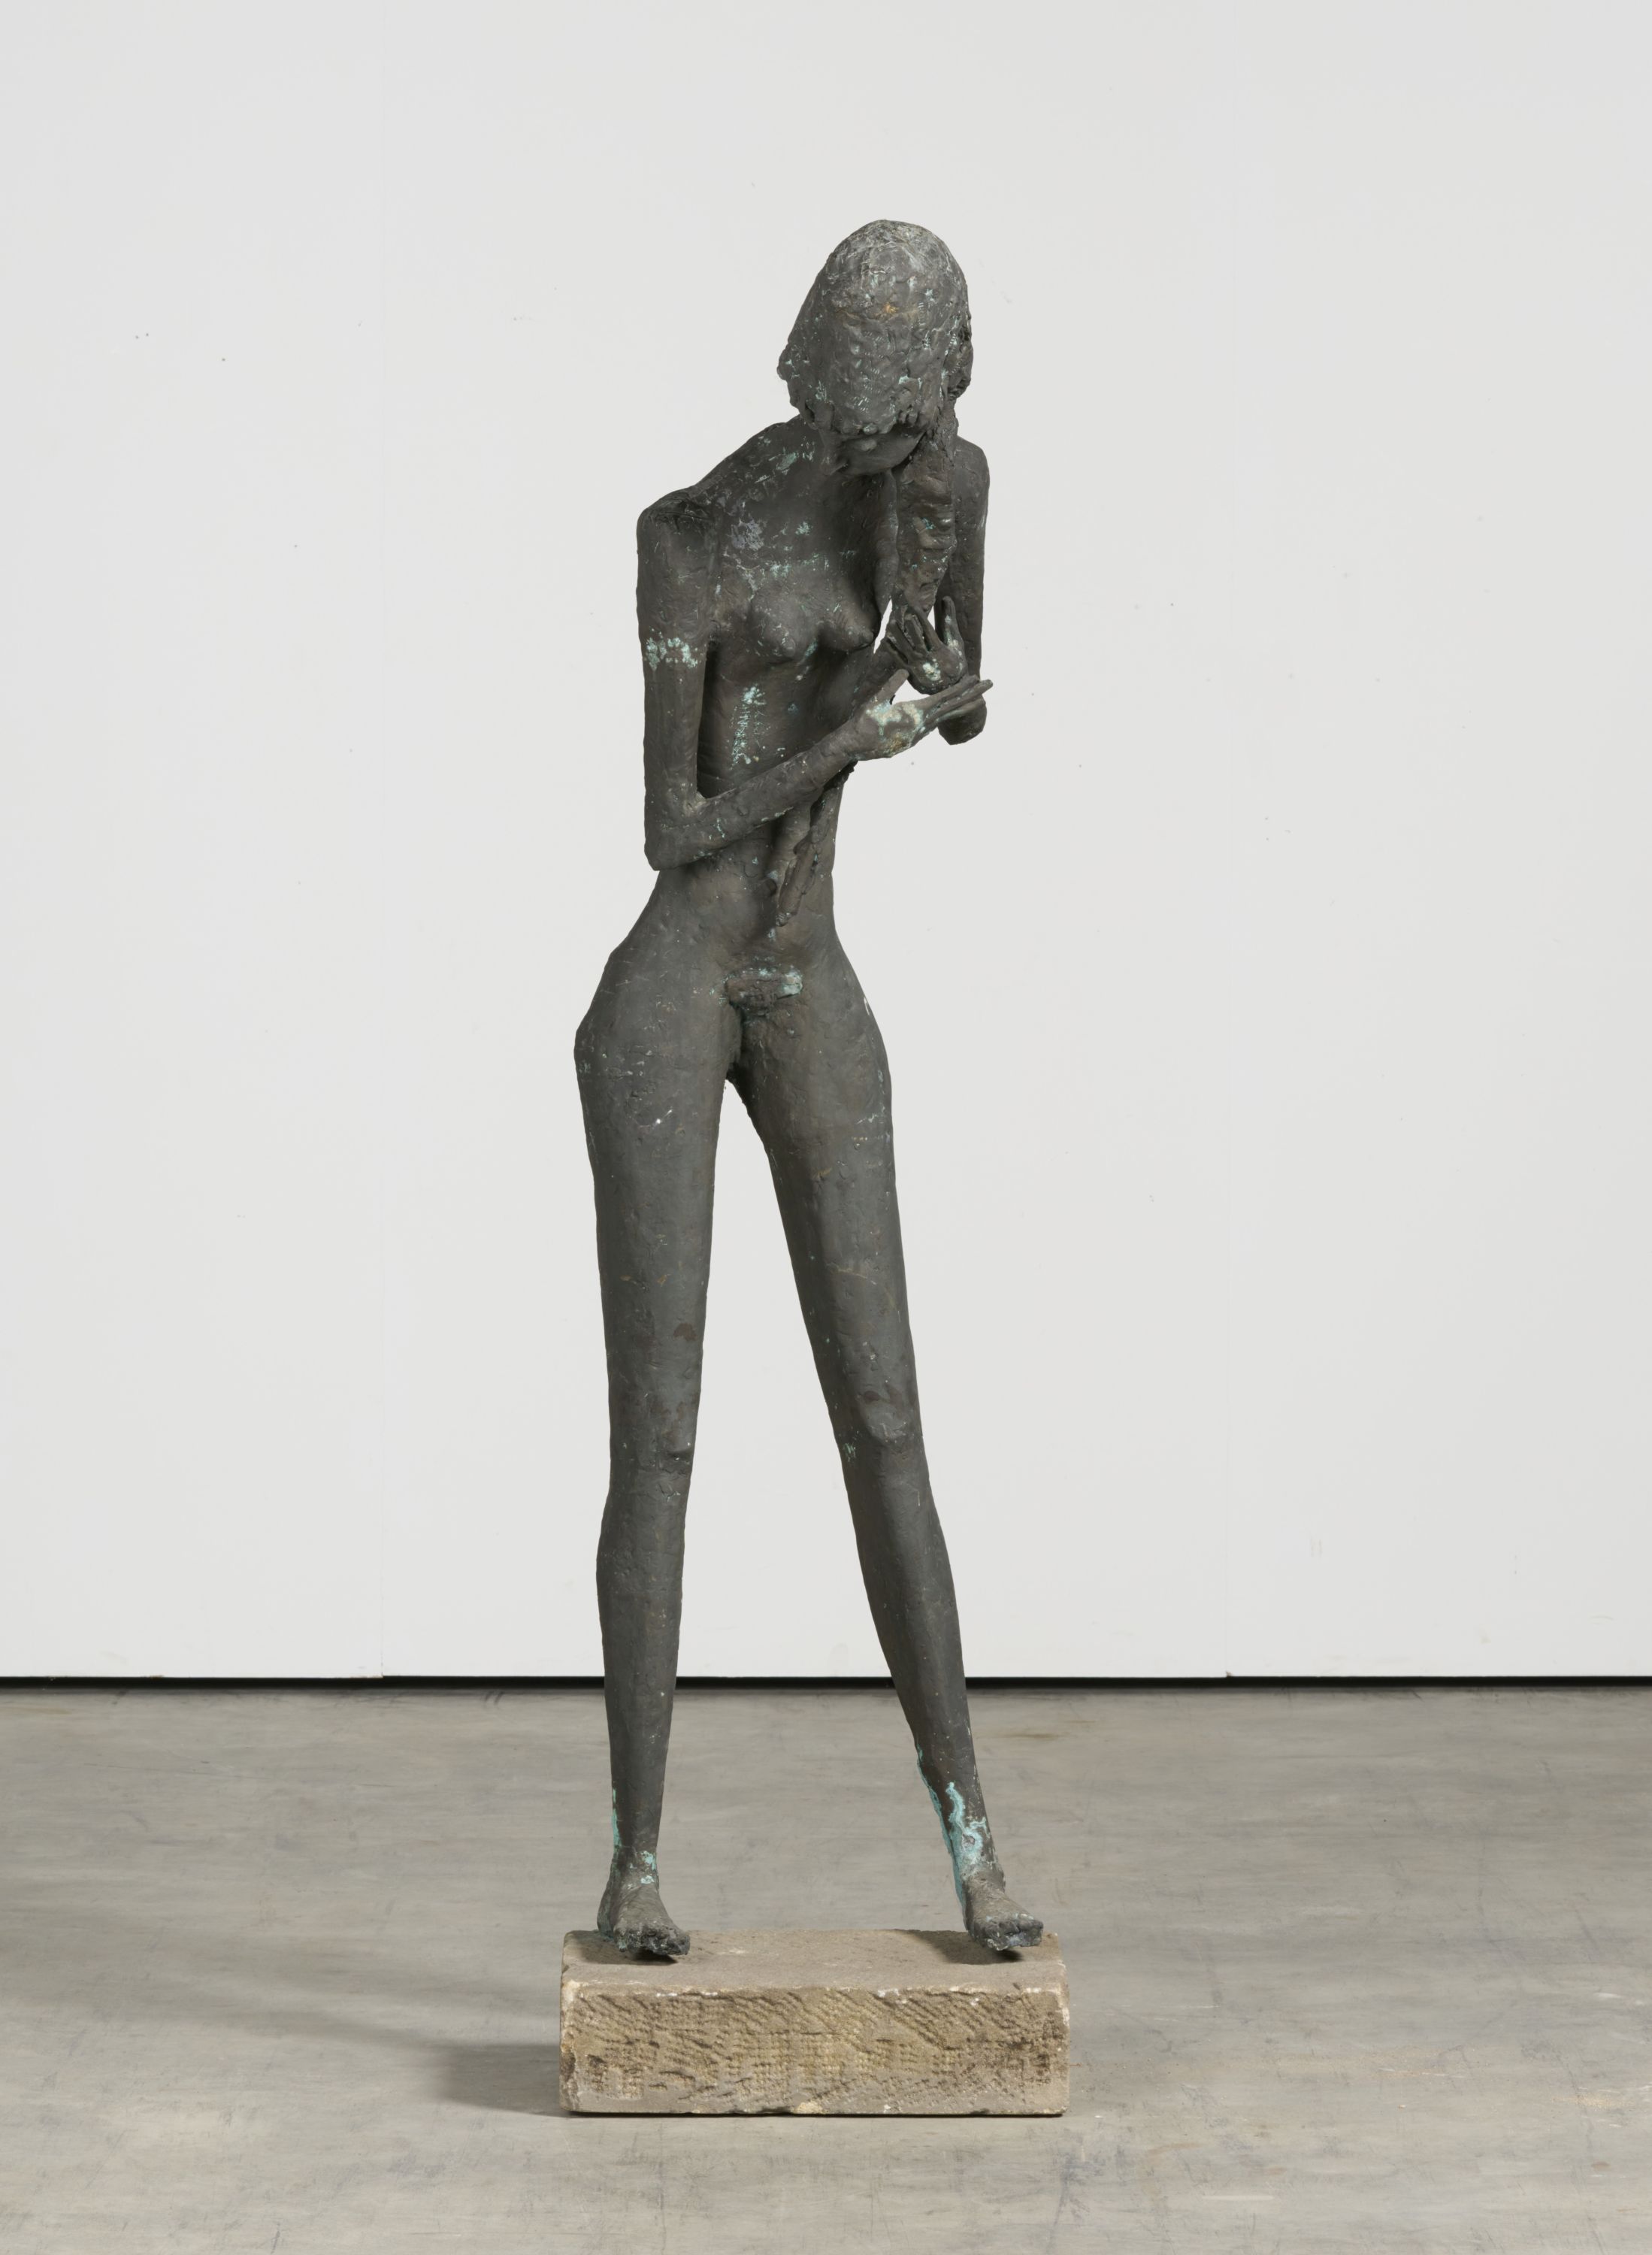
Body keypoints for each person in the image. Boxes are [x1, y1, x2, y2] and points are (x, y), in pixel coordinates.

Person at [576, 219, 1042, 1957]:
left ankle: (974, 1844)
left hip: (810, 973)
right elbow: (670, 826)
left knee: (888, 1415)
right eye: (868, 410)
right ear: (815, 370)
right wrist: (859, 736)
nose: (884, 437)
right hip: (675, 987)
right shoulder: (692, 535)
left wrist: (933, 608)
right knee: (661, 1426)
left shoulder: (942, 481)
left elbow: (959, 695)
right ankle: (633, 1863)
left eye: (912, 412)